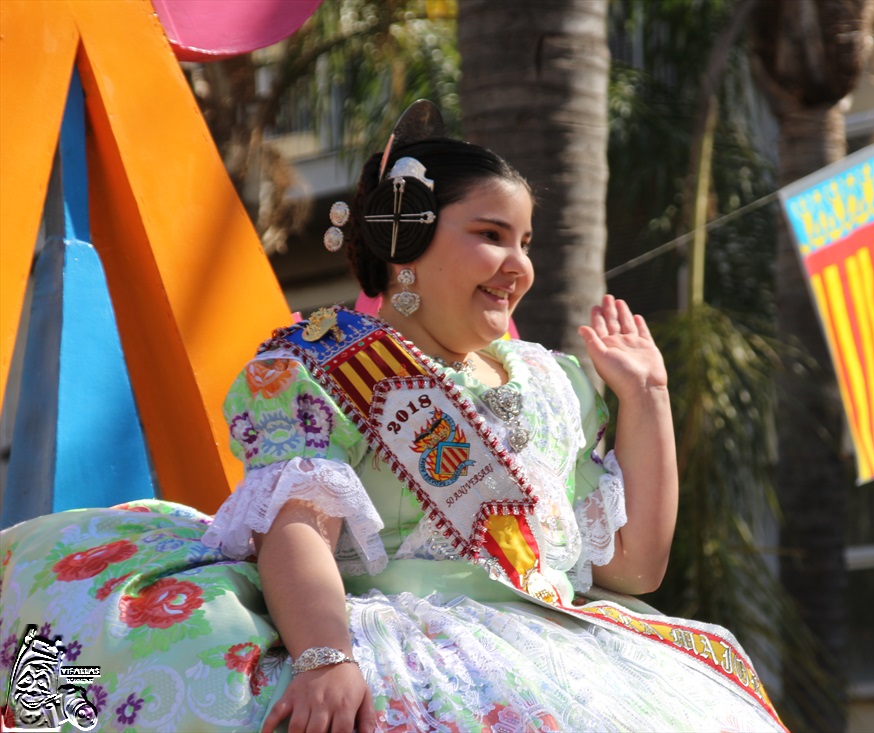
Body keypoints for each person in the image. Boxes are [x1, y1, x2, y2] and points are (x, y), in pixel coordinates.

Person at [0, 103, 786, 733]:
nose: (519, 264)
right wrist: (324, 656)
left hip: (557, 655)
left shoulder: (560, 384)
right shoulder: (318, 363)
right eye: (489, 235)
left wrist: (647, 396)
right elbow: (297, 527)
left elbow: (632, 568)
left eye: (526, 241)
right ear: (407, 243)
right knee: (77, 667)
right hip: (373, 641)